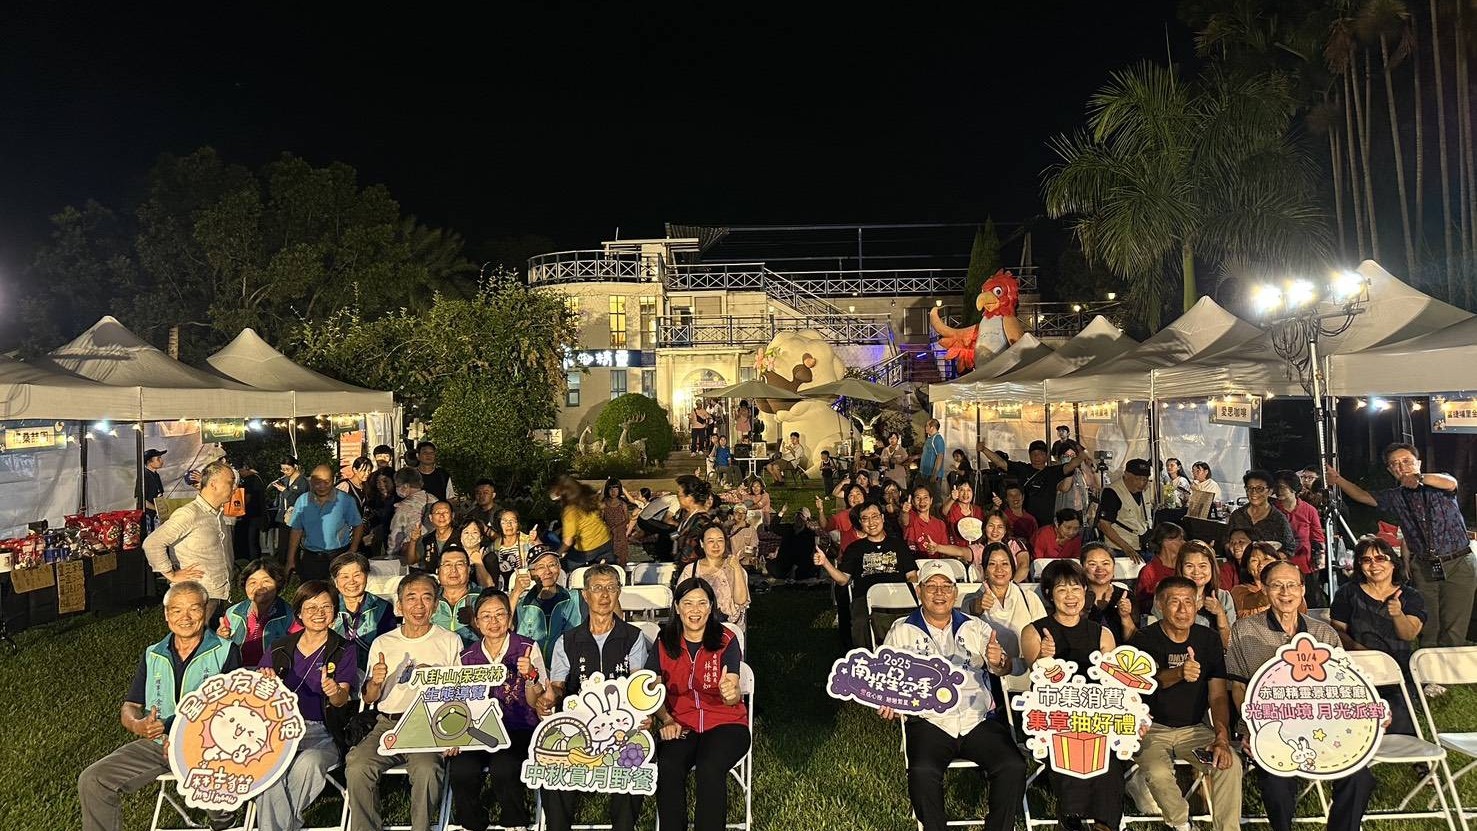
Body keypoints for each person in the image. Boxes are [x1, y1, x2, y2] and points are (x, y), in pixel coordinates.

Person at [77, 581, 242, 831]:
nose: (185, 617)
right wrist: (138, 725)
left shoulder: (226, 651)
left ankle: (225, 821)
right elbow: (131, 705)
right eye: (177, 610)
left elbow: (232, 712)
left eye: (194, 609)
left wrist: (185, 741)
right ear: (166, 614)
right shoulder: (153, 653)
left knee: (210, 787)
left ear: (206, 610)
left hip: (206, 749)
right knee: (93, 779)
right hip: (157, 745)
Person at [1227, 560, 1375, 831]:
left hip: (1322, 730)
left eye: (1292, 585)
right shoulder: (1244, 630)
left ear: (1303, 589)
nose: (1285, 593)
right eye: (1277, 585)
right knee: (1276, 780)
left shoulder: (1323, 633)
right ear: (1264, 589)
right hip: (1271, 731)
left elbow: (1341, 688)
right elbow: (1238, 686)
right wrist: (1253, 728)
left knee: (1359, 776)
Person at [881, 560, 1027, 831]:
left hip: (977, 719)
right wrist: (888, 699)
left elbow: (1002, 668)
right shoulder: (902, 630)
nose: (939, 593)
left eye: (946, 586)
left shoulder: (976, 627)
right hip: (930, 720)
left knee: (1012, 765)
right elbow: (886, 678)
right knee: (922, 772)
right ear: (919, 591)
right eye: (931, 586)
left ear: (955, 593)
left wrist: (1000, 661)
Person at [346, 573, 462, 831]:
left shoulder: (449, 641)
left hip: (429, 725)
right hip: (387, 723)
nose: (419, 605)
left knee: (427, 770)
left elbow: (458, 692)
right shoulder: (384, 642)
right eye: (411, 598)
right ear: (399, 605)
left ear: (436, 605)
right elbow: (369, 698)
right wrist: (376, 682)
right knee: (357, 766)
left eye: (426, 598)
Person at [1329, 442, 1474, 649]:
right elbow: (1363, 496)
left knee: (1454, 625)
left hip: (1459, 561)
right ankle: (1426, 664)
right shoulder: (1394, 496)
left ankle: (1450, 666)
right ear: (1390, 470)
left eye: (1406, 461)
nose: (1401, 467)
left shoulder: (1438, 486)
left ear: (1418, 463)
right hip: (1424, 566)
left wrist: (1419, 478)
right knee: (1427, 623)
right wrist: (1338, 480)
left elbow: (1450, 482)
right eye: (1395, 464)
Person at [1128, 576, 1243, 831]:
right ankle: (1181, 823)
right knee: (1158, 772)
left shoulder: (1208, 639)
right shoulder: (1143, 639)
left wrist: (1221, 737)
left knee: (1229, 764)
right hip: (1150, 729)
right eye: (1174, 602)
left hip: (1195, 729)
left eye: (1189, 602)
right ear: (1159, 604)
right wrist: (1179, 673)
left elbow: (1217, 696)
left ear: (1198, 604)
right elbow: (1144, 681)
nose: (1183, 609)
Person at [539, 564, 647, 831]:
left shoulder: (633, 637)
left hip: (621, 726)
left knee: (634, 758)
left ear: (619, 592)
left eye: (611, 588)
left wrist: (643, 715)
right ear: (585, 595)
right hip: (577, 727)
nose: (604, 595)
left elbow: (638, 686)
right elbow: (558, 686)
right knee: (552, 764)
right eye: (597, 588)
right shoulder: (567, 640)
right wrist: (550, 697)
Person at [1020, 559, 1121, 830]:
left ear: (1085, 591)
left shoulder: (1103, 634)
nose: (1070, 596)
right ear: (1049, 594)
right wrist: (1045, 658)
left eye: (1076, 588)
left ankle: (1105, 824)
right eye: (1062, 589)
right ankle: (1072, 818)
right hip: (1053, 718)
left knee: (1106, 754)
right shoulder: (1033, 632)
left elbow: (1114, 685)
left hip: (1097, 717)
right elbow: (1038, 681)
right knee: (1069, 746)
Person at [648, 577, 750, 831]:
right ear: (677, 606)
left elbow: (733, 691)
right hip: (681, 723)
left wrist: (730, 693)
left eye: (702, 603)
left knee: (709, 766)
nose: (695, 610)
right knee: (669, 765)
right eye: (688, 603)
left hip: (727, 723)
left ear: (711, 606)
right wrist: (666, 719)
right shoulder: (664, 641)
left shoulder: (726, 638)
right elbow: (654, 691)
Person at [255, 580, 357, 831]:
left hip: (323, 732)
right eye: (311, 607)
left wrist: (334, 691)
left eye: (326, 607)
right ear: (299, 613)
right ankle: (288, 825)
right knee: (268, 769)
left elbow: (342, 700)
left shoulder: (343, 650)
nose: (319, 613)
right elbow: (256, 697)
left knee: (310, 762)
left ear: (335, 611)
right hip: (278, 731)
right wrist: (265, 684)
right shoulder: (279, 647)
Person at [448, 590, 546, 831]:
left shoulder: (526, 648)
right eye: (486, 616)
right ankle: (471, 823)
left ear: (510, 618)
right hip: (477, 730)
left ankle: (515, 822)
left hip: (518, 726)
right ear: (477, 622)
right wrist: (454, 736)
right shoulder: (467, 656)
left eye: (500, 615)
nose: (493, 622)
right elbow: (458, 701)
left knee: (504, 765)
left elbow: (537, 702)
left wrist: (530, 676)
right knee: (462, 768)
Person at [1331, 537, 1426, 734]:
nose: (1374, 565)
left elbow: (1409, 634)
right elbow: (1337, 632)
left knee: (1396, 721)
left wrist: (1397, 614)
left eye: (1380, 558)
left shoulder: (1410, 596)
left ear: (1393, 563)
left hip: (1398, 673)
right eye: (1366, 560)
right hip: (1357, 670)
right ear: (1359, 565)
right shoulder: (1347, 593)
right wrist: (1362, 652)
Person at [814, 501, 919, 649]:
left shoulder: (898, 545)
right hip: (865, 598)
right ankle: (866, 655)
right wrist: (825, 563)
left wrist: (910, 594)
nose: (871, 522)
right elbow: (843, 580)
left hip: (897, 596)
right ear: (860, 522)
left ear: (882, 518)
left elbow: (912, 575)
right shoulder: (854, 548)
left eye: (875, 516)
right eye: (865, 518)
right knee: (861, 622)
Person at [142, 459, 237, 620]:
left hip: (219, 593)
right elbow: (152, 543)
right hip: (198, 596)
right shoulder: (189, 514)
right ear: (213, 484)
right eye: (230, 482)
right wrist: (171, 574)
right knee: (198, 635)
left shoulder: (216, 514)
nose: (234, 487)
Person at [961, 542, 1047, 677]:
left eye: (1005, 564)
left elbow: (1043, 634)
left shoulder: (1029, 598)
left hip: (1027, 674)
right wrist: (978, 606)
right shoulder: (971, 599)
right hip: (988, 676)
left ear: (1012, 568)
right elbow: (968, 617)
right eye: (992, 564)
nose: (999, 569)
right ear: (984, 570)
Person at [976, 438, 1087, 528]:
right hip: (1022, 521)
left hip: (1046, 523)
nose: (1036, 456)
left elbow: (1070, 466)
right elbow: (1001, 462)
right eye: (1033, 453)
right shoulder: (1023, 469)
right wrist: (984, 450)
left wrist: (1083, 454)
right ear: (1029, 455)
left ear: (1046, 455)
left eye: (1040, 453)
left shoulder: (1053, 471)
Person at [287, 464, 364, 581]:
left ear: (333, 481)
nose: (322, 486)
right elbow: (296, 530)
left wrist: (352, 550)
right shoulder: (303, 501)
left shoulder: (345, 500)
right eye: (317, 482)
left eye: (326, 482)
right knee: (311, 590)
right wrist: (290, 559)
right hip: (311, 557)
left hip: (338, 556)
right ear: (311, 481)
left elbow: (358, 525)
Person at [329, 551, 397, 675]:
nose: (352, 581)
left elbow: (388, 644)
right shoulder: (328, 607)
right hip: (333, 673)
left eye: (357, 575)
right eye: (345, 577)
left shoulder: (382, 607)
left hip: (371, 673)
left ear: (366, 576)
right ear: (335, 581)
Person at [218, 557, 293, 668]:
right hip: (238, 672)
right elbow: (221, 651)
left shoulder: (288, 614)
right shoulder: (233, 613)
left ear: (278, 584)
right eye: (252, 582)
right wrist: (221, 638)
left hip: (273, 672)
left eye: (266, 581)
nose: (259, 587)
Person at [512, 546, 584, 660]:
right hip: (531, 666)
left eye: (552, 565)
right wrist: (516, 592)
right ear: (530, 573)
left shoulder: (576, 598)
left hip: (567, 665)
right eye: (540, 567)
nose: (548, 571)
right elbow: (503, 628)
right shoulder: (521, 605)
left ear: (559, 567)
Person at [676, 521, 751, 628]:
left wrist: (736, 568)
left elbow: (741, 600)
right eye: (711, 541)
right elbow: (681, 602)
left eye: (720, 540)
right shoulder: (691, 570)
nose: (716, 545)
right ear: (702, 543)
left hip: (729, 627)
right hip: (697, 626)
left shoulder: (734, 567)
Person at [1171, 541, 1236, 648]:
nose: (1196, 572)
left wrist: (1220, 614)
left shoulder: (1223, 597)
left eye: (1202, 566)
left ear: (1212, 567)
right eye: (1189, 566)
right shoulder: (1168, 596)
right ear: (1180, 568)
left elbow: (1229, 645)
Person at [549, 475, 616, 571]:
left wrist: (555, 556)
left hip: (588, 548)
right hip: (606, 541)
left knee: (563, 566)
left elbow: (568, 542)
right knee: (609, 570)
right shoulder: (587, 496)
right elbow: (601, 506)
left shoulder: (570, 511)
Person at [1226, 470, 1297, 556]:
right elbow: (1226, 542)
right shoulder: (1237, 515)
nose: (1254, 492)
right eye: (1250, 488)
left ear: (1270, 491)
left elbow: (1289, 548)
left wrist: (1270, 558)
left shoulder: (1278, 519)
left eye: (1260, 488)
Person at [1097, 458, 1153, 562]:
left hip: (1142, 546)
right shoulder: (1112, 492)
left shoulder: (1145, 490)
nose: (1142, 483)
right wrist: (1127, 548)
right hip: (1119, 549)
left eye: (1145, 479)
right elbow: (1104, 525)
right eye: (1137, 478)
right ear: (1126, 474)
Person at [1082, 542, 1136, 646]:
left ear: (1113, 567)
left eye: (1105, 563)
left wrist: (1125, 617)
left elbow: (1134, 641)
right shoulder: (1073, 597)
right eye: (1092, 564)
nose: (1100, 569)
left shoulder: (1126, 596)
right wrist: (1083, 611)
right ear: (1082, 567)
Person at [1229, 542, 1304, 618]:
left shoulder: (1292, 588)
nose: (1261, 564)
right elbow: (1255, 600)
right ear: (1247, 567)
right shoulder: (1238, 591)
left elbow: (1302, 613)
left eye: (1266, 559)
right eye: (1254, 560)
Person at [1272, 469, 1324, 577]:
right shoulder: (1271, 510)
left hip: (1305, 566)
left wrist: (1319, 557)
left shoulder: (1309, 510)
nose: (1278, 490)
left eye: (1282, 487)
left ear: (1293, 488)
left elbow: (1318, 538)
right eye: (1276, 487)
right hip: (1278, 565)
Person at [432, 543, 481, 646]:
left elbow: (499, 637)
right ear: (438, 571)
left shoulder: (484, 598)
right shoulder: (429, 600)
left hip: (473, 654)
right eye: (447, 565)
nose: (453, 570)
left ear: (469, 569)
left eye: (459, 564)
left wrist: (473, 622)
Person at [1134, 522, 1186, 613]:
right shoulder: (1149, 571)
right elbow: (1141, 604)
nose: (1184, 542)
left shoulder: (1185, 568)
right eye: (1180, 539)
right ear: (1166, 542)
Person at [388, 467, 436, 563]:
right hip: (433, 549)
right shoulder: (433, 499)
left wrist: (391, 556)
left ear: (406, 486)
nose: (396, 489)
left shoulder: (404, 507)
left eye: (397, 485)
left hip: (412, 553)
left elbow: (396, 536)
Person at [765, 505, 821, 583]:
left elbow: (807, 554)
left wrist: (794, 568)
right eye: (797, 516)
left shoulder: (809, 534)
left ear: (806, 520)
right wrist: (782, 512)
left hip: (800, 565)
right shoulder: (788, 528)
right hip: (784, 563)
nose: (799, 519)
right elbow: (773, 527)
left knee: (810, 569)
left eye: (802, 517)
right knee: (770, 565)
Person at [270, 457, 308, 559]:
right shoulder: (284, 480)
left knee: (293, 547)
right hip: (283, 518)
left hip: (295, 518)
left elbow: (299, 501)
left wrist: (284, 491)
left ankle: (294, 564)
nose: (285, 472)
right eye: (283, 469)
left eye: (287, 469)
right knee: (282, 546)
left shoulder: (302, 482)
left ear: (295, 466)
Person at [901, 483, 950, 558]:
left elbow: (944, 549)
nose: (922, 501)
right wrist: (904, 512)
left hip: (936, 563)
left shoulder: (940, 524)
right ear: (913, 502)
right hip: (914, 562)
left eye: (925, 497)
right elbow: (905, 520)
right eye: (918, 498)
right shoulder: (911, 517)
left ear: (931, 500)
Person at [484, 508, 528, 591]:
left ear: (518, 524)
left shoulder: (528, 542)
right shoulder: (492, 548)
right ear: (499, 525)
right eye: (504, 522)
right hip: (501, 592)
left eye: (512, 521)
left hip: (525, 590)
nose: (509, 525)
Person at [233, 458, 266, 560]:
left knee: (251, 541)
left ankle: (253, 562)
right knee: (254, 540)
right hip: (258, 514)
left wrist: (236, 509)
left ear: (245, 468)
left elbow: (247, 498)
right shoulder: (258, 478)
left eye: (240, 471)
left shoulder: (250, 480)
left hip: (252, 515)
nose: (239, 474)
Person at [412, 500, 458, 574]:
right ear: (431, 518)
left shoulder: (462, 536)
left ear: (452, 516)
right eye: (437, 513)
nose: (442, 516)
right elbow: (411, 560)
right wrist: (413, 541)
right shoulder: (427, 539)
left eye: (446, 512)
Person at [361, 467, 398, 557]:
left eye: (385, 481)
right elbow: (365, 521)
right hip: (373, 544)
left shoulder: (399, 501)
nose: (381, 485)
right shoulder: (372, 501)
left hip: (395, 543)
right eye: (378, 482)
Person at [601, 478, 638, 566]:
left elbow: (626, 519)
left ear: (619, 490)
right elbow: (601, 519)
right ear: (607, 490)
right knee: (608, 558)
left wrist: (620, 527)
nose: (613, 491)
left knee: (621, 558)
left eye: (616, 489)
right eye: (610, 489)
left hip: (620, 535)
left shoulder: (622, 504)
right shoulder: (604, 504)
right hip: (608, 534)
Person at [940, 477, 986, 548]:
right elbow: (943, 512)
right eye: (961, 490)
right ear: (956, 492)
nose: (965, 493)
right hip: (955, 548)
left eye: (968, 490)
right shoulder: (952, 507)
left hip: (973, 549)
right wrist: (952, 499)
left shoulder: (977, 510)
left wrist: (995, 507)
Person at [140, 447, 167, 531]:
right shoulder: (144, 476)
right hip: (148, 516)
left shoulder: (156, 475)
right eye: (158, 459)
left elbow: (160, 494)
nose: (161, 461)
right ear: (149, 462)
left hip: (156, 516)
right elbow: (142, 501)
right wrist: (158, 509)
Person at [920, 419, 948, 498]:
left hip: (932, 475)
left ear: (932, 427)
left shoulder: (938, 439)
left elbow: (940, 457)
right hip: (925, 473)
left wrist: (934, 474)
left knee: (935, 497)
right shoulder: (929, 439)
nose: (925, 428)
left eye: (927, 426)